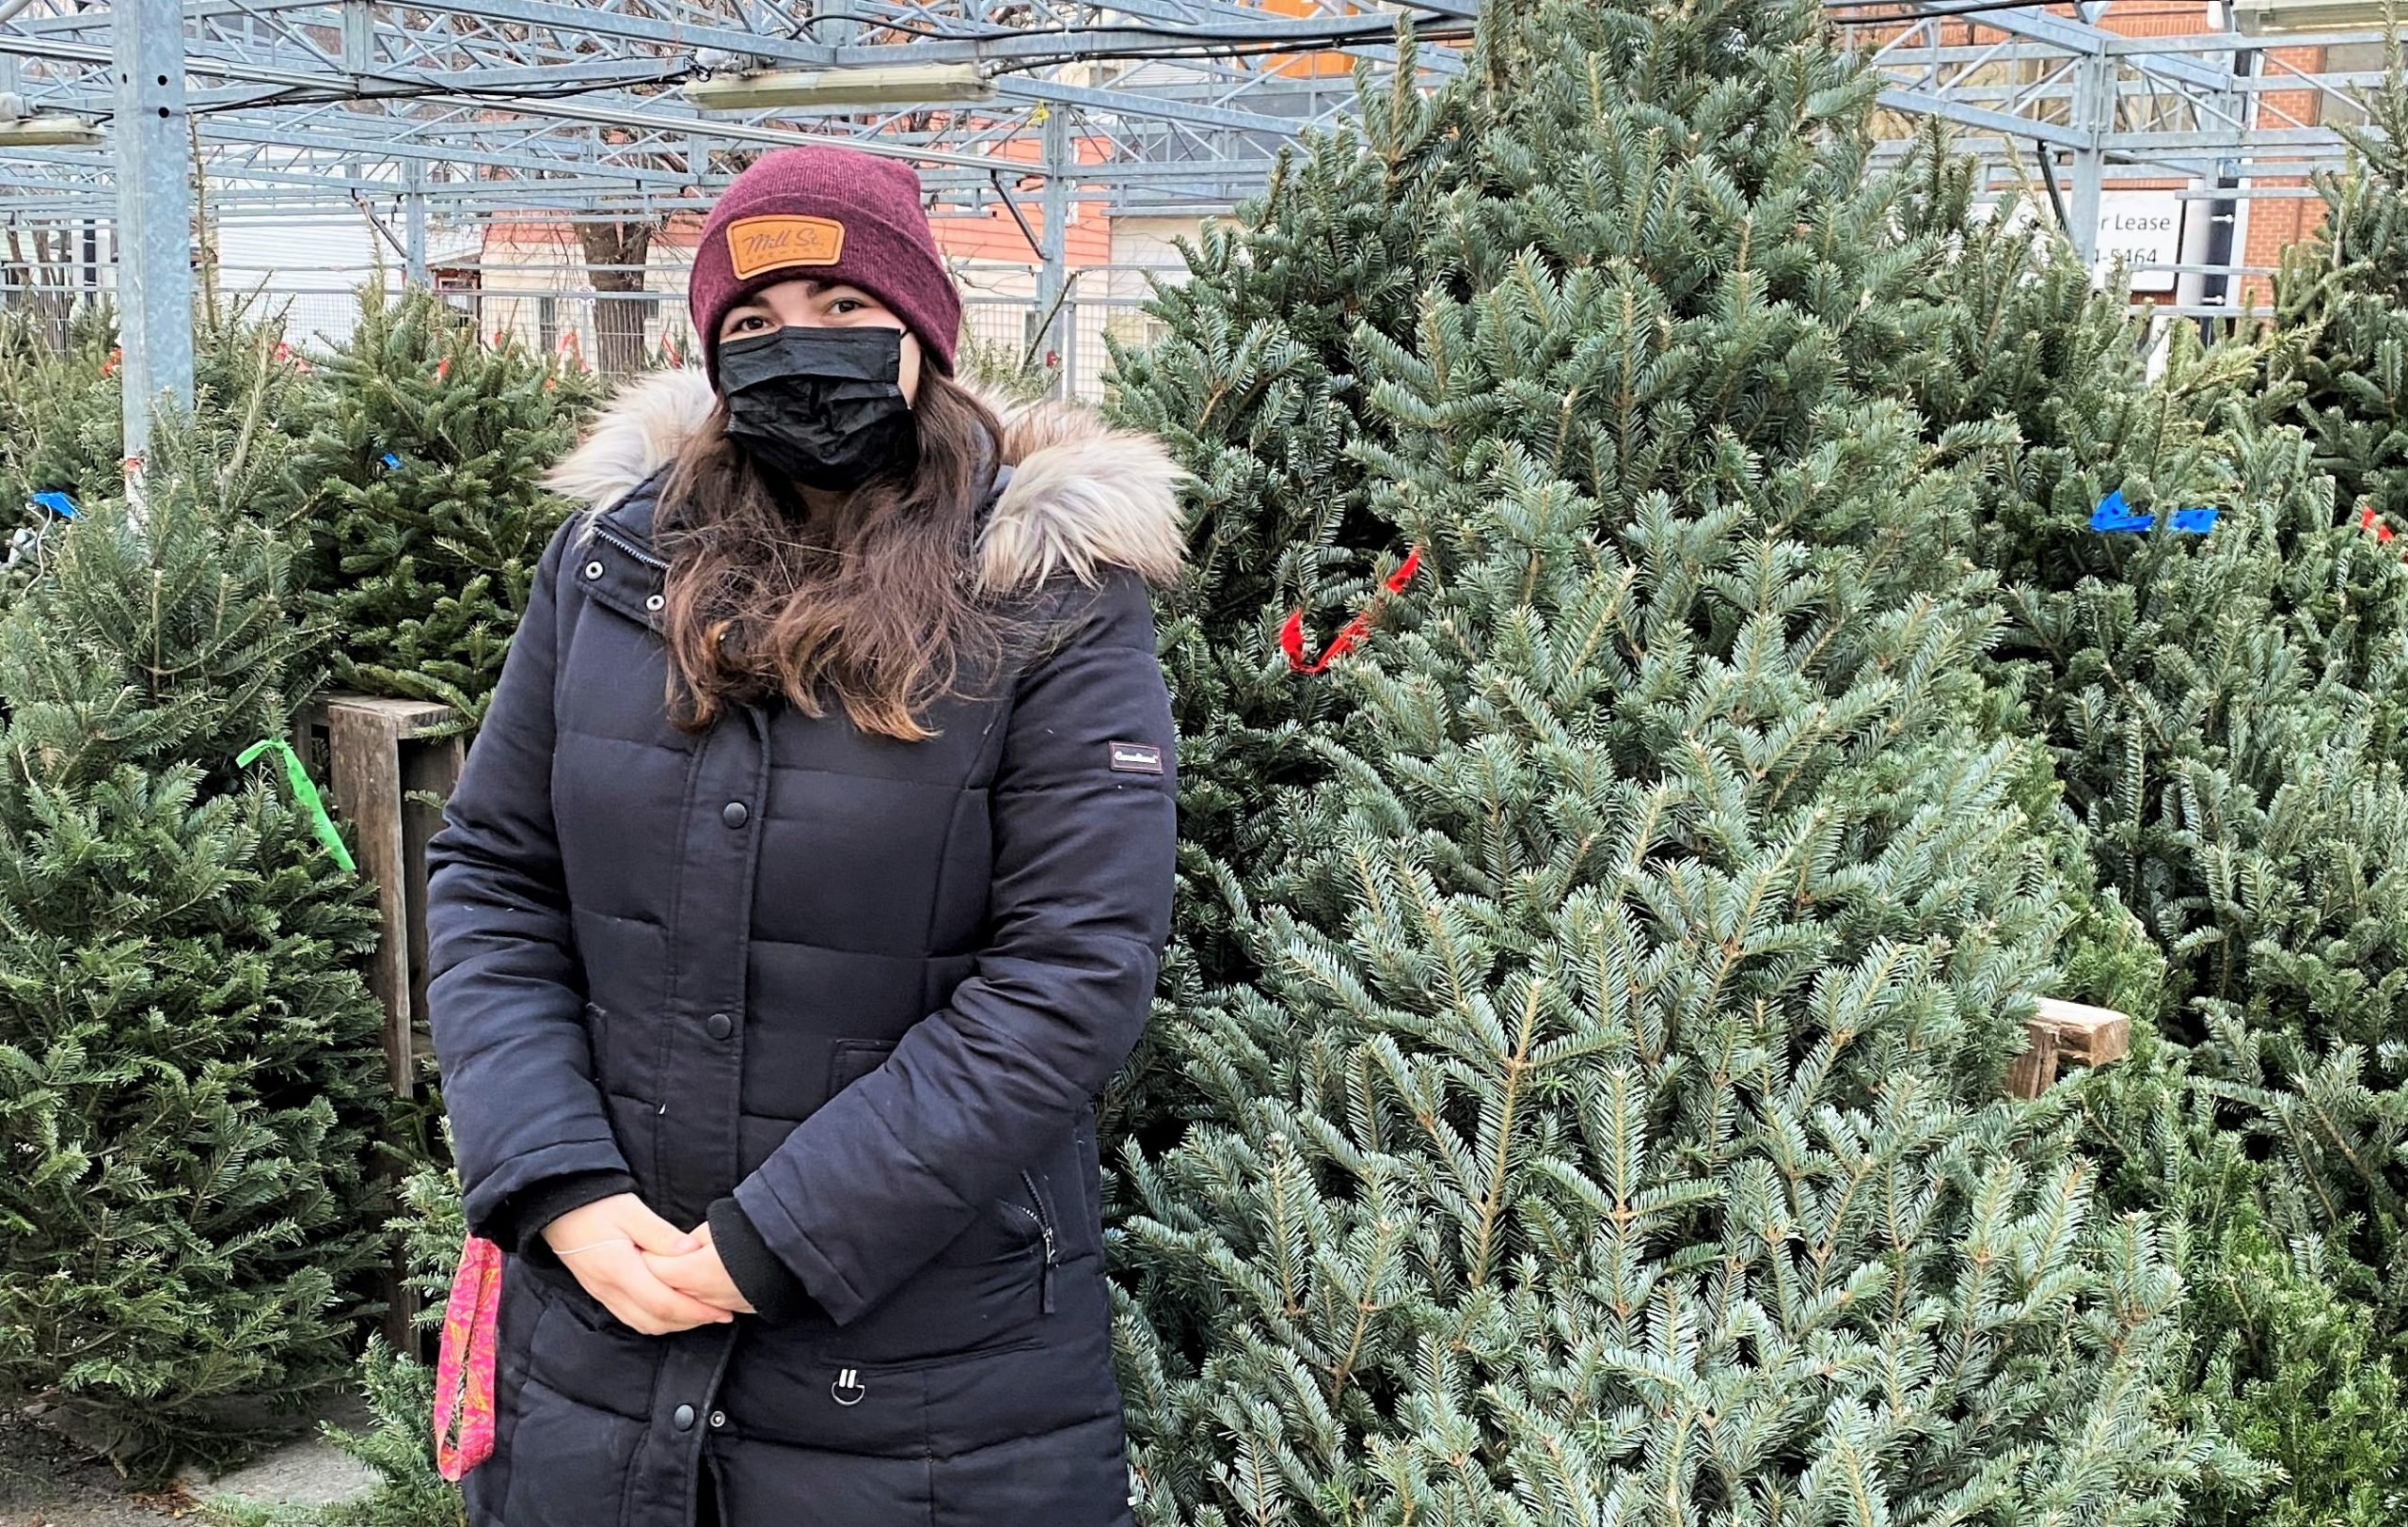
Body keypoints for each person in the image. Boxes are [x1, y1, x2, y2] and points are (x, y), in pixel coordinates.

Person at [424, 144, 1184, 1527]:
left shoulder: (1052, 599)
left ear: (925, 335)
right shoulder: (607, 571)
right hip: (598, 1316)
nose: (801, 350)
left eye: (844, 308)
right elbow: (493, 877)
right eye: (754, 325)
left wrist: (771, 1242)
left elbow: (1070, 974)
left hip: (925, 1376)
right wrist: (556, 1182)